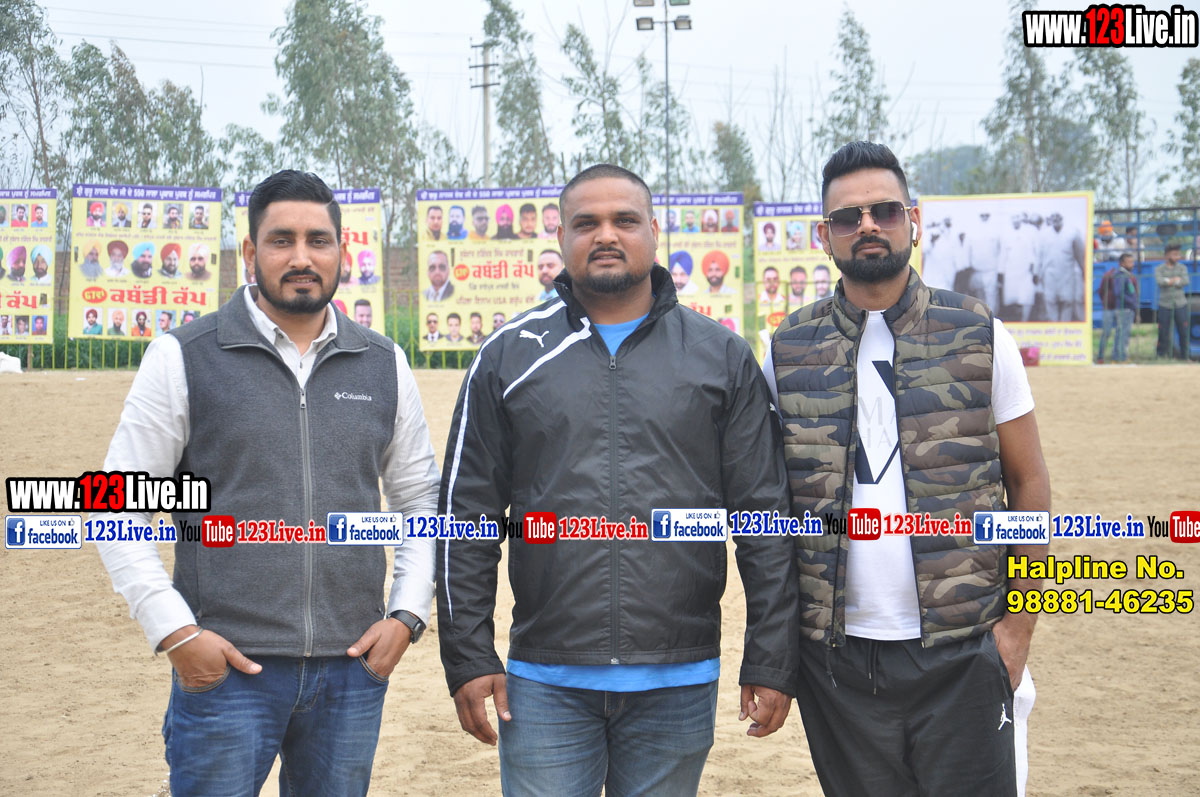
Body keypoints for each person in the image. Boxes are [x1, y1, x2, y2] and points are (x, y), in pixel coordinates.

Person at [437, 163, 798, 796]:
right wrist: (468, 654)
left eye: (624, 220)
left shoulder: (720, 356)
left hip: (678, 678)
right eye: (587, 223)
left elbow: (764, 517)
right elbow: (465, 518)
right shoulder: (507, 357)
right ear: (561, 238)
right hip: (544, 680)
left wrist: (771, 657)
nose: (606, 235)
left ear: (654, 232)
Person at [94, 169, 440, 796]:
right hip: (226, 672)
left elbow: (419, 499)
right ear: (250, 252)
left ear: (342, 250)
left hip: (351, 672)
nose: (302, 257)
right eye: (282, 240)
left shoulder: (383, 362)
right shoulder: (183, 356)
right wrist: (176, 633)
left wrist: (407, 614)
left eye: (318, 240)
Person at [767, 141, 1050, 797]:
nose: (868, 225)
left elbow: (1029, 481)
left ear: (913, 221)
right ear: (824, 235)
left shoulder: (979, 332)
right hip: (838, 663)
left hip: (966, 649)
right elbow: (769, 510)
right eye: (848, 217)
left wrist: (1018, 628)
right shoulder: (787, 350)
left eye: (885, 211)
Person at [1037, 212, 1086, 322]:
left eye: (1058, 218)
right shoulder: (1044, 235)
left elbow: (1079, 254)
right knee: (1050, 300)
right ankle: (1054, 326)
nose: (1056, 220)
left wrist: (1083, 269)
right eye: (1053, 218)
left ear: (1062, 219)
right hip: (1049, 273)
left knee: (1067, 301)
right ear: (1051, 220)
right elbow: (1039, 257)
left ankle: (1065, 325)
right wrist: (1038, 273)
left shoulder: (1072, 233)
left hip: (1067, 273)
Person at [1097, 252, 1139, 363]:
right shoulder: (1116, 275)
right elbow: (1108, 291)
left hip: (1119, 307)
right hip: (1117, 308)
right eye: (1129, 262)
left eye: (1133, 262)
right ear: (1121, 263)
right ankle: (1114, 356)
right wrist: (1133, 303)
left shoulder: (1130, 276)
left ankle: (1116, 356)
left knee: (1118, 333)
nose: (1132, 264)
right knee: (1118, 334)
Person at [1155, 242, 1190, 360]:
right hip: (1164, 304)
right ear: (1167, 255)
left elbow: (1185, 281)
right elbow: (1160, 281)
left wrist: (1168, 281)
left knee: (1183, 331)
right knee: (1163, 332)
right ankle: (1161, 356)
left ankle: (1185, 357)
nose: (1177, 257)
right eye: (1174, 254)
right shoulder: (1159, 269)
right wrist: (1175, 280)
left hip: (1180, 304)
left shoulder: (1182, 268)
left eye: (1178, 254)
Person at [1000, 214, 1038, 321]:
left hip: (1026, 271)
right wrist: (1001, 272)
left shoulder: (1030, 232)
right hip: (1011, 271)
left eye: (1018, 220)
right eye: (1014, 220)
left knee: (1027, 297)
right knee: (1011, 297)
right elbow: (1003, 254)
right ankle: (1014, 321)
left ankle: (1025, 321)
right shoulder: (1006, 234)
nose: (1016, 222)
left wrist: (1035, 271)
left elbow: (1034, 253)